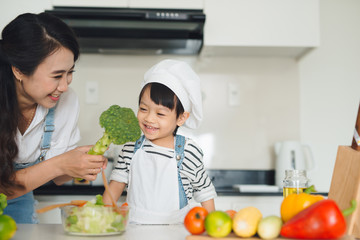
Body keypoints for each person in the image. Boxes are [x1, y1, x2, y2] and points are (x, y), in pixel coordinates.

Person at [0, 12, 107, 224]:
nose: (65, 86)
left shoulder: (66, 102)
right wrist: (60, 164)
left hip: (20, 204)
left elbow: (58, 177)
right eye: (57, 75)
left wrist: (80, 163)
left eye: (70, 72)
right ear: (19, 70)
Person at [104, 59, 217, 224]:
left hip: (176, 231)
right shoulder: (131, 148)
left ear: (181, 117)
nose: (149, 118)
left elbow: (205, 193)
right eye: (143, 109)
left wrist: (212, 229)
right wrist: (101, 218)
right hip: (134, 231)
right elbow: (113, 190)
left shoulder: (188, 152)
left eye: (160, 114)